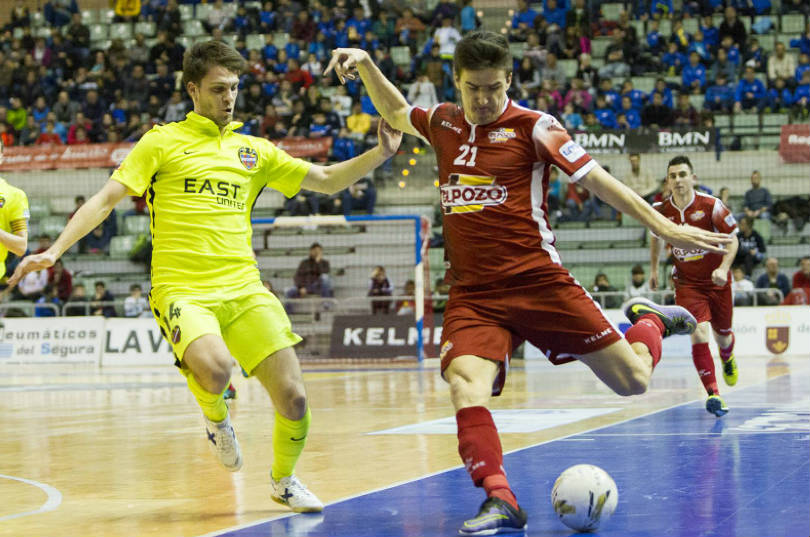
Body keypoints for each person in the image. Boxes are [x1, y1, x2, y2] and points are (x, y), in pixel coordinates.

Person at [325, 34, 732, 535]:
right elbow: (400, 109)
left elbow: (599, 180)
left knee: (633, 382)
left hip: (538, 282)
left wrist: (663, 226)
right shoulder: (445, 122)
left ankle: (650, 321)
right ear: (457, 83)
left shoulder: (536, 127)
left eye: (494, 88)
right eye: (473, 88)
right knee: (463, 382)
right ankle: (500, 497)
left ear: (510, 81)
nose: (483, 100)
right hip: (474, 294)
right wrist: (366, 62)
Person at [9, 40, 401, 514]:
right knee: (217, 371)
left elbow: (325, 178)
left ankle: (283, 480)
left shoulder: (254, 151)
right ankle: (217, 420)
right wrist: (54, 251)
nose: (229, 97)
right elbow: (105, 199)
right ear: (193, 90)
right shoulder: (161, 141)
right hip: (182, 289)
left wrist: (379, 154)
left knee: (294, 399)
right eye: (218, 89)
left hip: (244, 288)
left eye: (234, 88)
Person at [649, 156, 739, 419]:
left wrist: (722, 268)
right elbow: (655, 239)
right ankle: (713, 394)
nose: (678, 180)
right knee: (699, 332)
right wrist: (654, 269)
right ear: (668, 181)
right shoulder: (659, 210)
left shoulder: (712, 206)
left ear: (693, 178)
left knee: (723, 336)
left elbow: (732, 242)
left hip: (717, 282)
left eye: (682, 174)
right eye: (673, 176)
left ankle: (727, 355)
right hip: (687, 283)